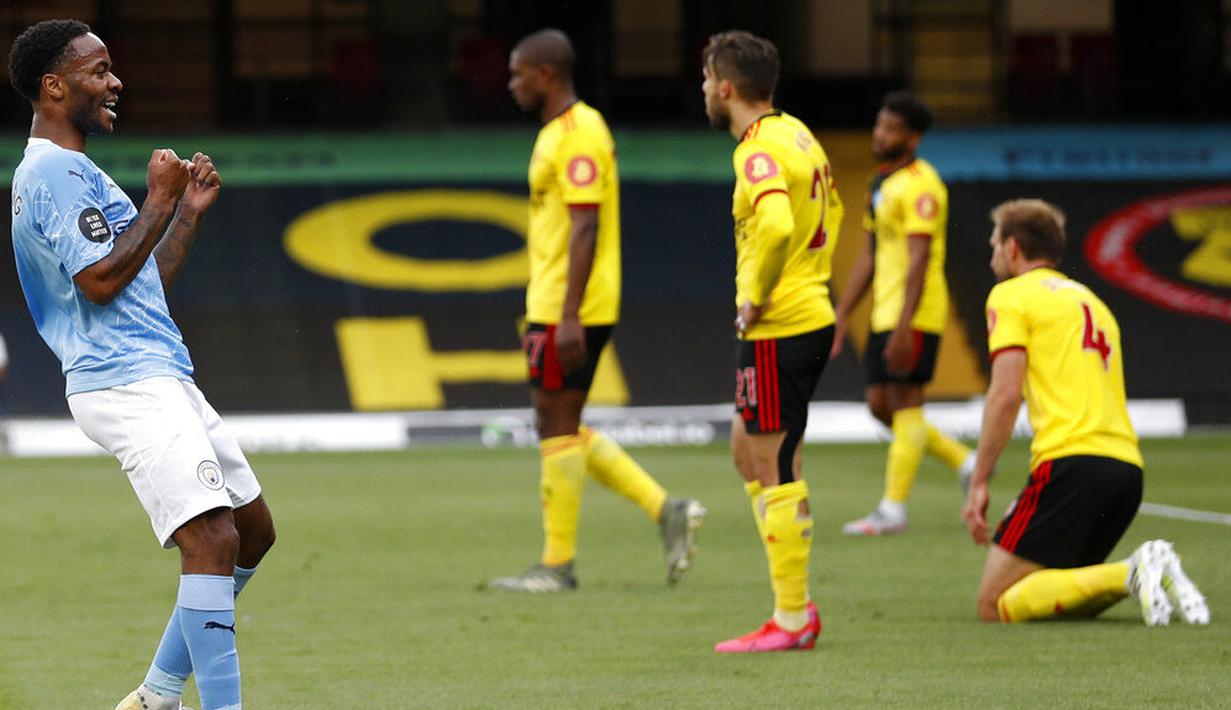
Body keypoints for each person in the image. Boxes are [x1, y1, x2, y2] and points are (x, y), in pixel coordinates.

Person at [8, 20, 276, 710]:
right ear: (53, 85)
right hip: (121, 379)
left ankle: (157, 696)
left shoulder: (80, 170)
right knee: (212, 538)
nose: (114, 81)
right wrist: (156, 199)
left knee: (250, 532)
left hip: (158, 368)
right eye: (97, 71)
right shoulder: (49, 174)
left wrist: (183, 212)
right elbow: (98, 280)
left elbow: (135, 281)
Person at [489, 28, 704, 593]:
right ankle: (666, 509)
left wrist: (568, 314)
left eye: (517, 72)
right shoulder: (555, 133)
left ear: (546, 74)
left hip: (571, 304)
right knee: (559, 424)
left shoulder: (581, 132)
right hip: (555, 299)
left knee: (555, 424)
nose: (511, 84)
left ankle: (558, 565)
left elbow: (586, 226)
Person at [962, 198, 1208, 625]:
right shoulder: (1094, 303)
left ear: (1014, 248)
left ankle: (1132, 569)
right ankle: (1139, 572)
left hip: (1071, 464)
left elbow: (1005, 394)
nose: (992, 256)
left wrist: (980, 479)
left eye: (995, 245)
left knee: (993, 603)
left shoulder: (1012, 294)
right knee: (1061, 588)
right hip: (1126, 470)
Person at [701, 30, 844, 652]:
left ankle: (791, 618)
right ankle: (793, 600)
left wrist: (755, 295)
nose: (704, 90)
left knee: (776, 465)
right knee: (748, 452)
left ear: (726, 87)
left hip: (778, 323)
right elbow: (831, 211)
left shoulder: (755, 151)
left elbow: (781, 222)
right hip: (808, 311)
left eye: (707, 80)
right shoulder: (800, 134)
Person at [832, 91, 975, 536]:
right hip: (883, 311)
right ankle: (963, 460)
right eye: (879, 125)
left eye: (891, 128)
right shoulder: (881, 184)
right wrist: (842, 314)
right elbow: (870, 254)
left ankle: (892, 509)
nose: (880, 134)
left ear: (913, 137)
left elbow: (919, 260)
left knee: (907, 403)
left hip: (916, 313)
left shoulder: (922, 185)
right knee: (881, 406)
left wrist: (905, 326)